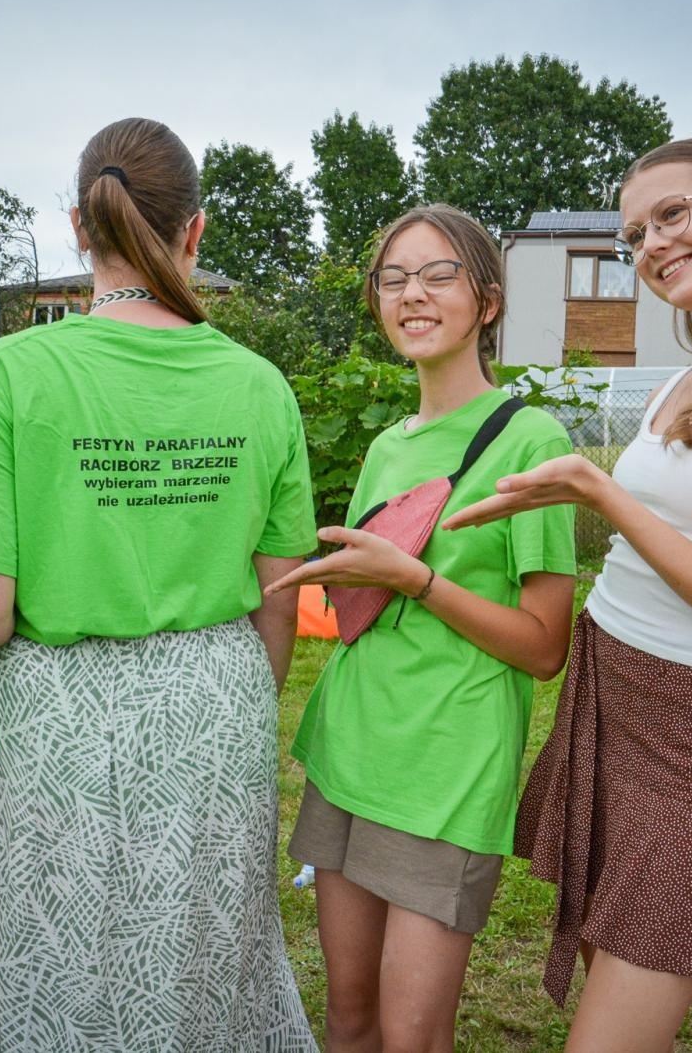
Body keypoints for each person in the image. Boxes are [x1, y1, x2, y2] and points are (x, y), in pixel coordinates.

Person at [446, 138, 692, 1052]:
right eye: (634, 233)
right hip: (611, 697)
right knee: (612, 996)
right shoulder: (679, 378)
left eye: (672, 215)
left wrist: (602, 493)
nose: (651, 244)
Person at [0, 117, 319, 1053]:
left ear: (78, 225)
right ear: (196, 231)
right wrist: (233, 690)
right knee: (200, 954)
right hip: (214, 700)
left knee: (53, 957)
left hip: (52, 713)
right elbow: (282, 595)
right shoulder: (260, 385)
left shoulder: (12, 372)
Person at [265, 204, 577, 1053]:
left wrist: (420, 580)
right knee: (350, 1020)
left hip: (445, 770)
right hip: (350, 749)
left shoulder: (530, 441)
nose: (413, 294)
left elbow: (545, 646)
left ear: (486, 299)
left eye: (438, 274)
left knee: (410, 1035)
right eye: (394, 278)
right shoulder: (388, 445)